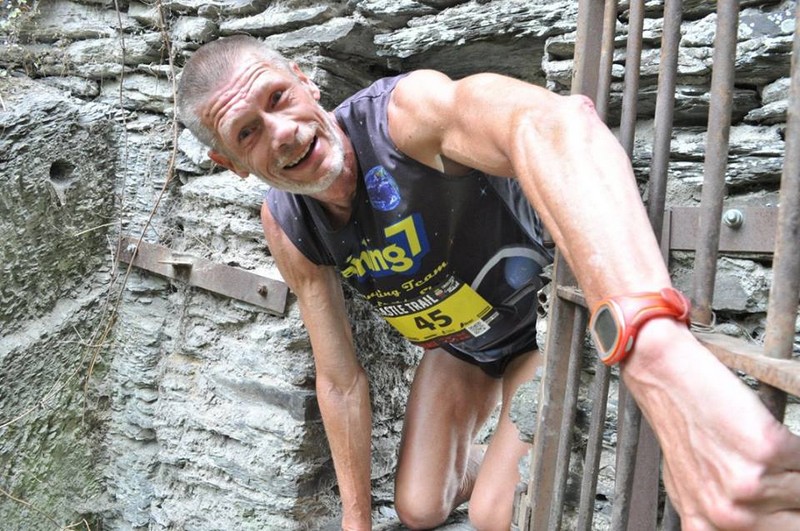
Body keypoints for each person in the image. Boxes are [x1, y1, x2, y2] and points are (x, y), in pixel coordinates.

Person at [176, 35, 800, 530]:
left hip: (539, 326)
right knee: (419, 508)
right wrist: (355, 522)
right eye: (248, 132)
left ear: (304, 80)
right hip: (461, 350)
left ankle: (509, 460)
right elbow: (339, 380)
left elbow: (555, 123)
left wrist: (655, 351)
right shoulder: (286, 224)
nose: (282, 132)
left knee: (493, 515)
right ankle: (495, 453)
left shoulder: (403, 117)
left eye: (278, 97)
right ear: (230, 164)